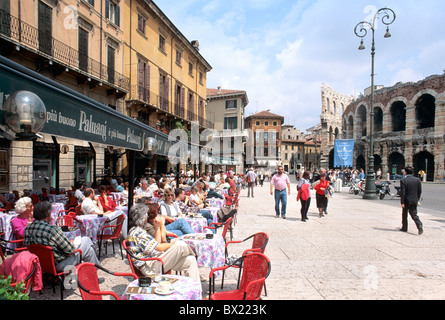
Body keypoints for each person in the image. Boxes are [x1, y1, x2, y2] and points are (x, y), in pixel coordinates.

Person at [125, 204, 200, 283]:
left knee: (190, 260)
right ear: (143, 218)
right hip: (150, 267)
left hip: (154, 262)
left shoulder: (137, 230)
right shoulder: (138, 233)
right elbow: (159, 248)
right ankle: (198, 253)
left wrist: (157, 227)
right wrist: (174, 246)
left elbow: (156, 245)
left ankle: (196, 291)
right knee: (180, 245)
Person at [23, 201, 101, 273]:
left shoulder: (27, 229)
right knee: (86, 241)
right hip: (58, 265)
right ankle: (94, 274)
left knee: (88, 250)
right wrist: (73, 243)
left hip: (39, 264)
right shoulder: (52, 230)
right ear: (49, 214)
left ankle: (91, 273)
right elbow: (71, 250)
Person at [400, 166, 423, 235]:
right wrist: (417, 198)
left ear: (405, 172)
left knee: (404, 214)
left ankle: (404, 228)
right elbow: (419, 191)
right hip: (414, 200)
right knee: (413, 213)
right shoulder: (417, 180)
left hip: (406, 200)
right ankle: (419, 224)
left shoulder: (403, 180)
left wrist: (402, 202)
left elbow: (403, 192)